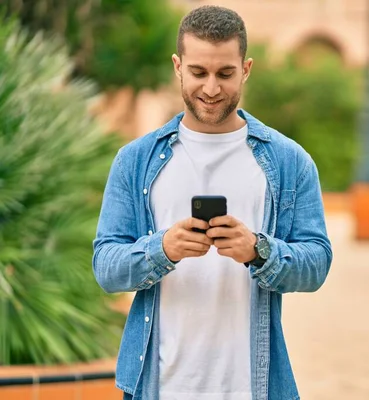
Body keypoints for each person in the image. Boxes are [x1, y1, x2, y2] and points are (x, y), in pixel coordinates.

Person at [92, 5, 332, 400]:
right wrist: (162, 249)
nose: (211, 88)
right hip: (158, 385)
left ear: (247, 68)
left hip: (252, 387)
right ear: (178, 67)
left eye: (225, 73)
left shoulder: (290, 162)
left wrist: (259, 251)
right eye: (198, 72)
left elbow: (317, 263)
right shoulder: (135, 161)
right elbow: (106, 268)